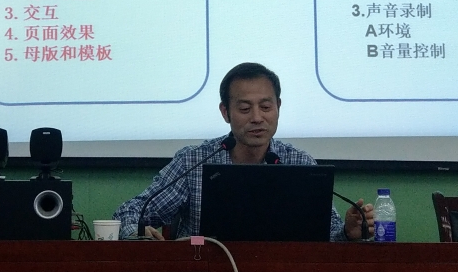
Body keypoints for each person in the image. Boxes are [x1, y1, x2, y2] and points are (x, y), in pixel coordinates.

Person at [113, 62, 375, 240]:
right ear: (225, 112)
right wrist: (136, 232)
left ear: (278, 106)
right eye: (245, 109)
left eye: (266, 107)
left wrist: (348, 232)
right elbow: (130, 211)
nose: (257, 118)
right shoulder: (194, 161)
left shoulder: (299, 163)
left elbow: (328, 235)